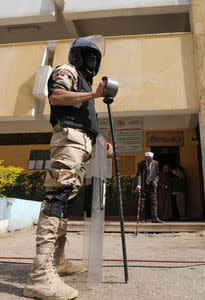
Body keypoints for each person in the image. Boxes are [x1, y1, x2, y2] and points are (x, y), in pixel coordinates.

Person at [23, 35, 113, 300]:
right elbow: (56, 96)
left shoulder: (86, 85)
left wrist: (100, 140)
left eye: (96, 58)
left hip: (81, 145)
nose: (92, 61)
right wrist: (94, 94)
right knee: (56, 197)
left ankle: (58, 261)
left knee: (66, 202)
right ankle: (40, 276)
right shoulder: (68, 71)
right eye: (89, 55)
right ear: (77, 56)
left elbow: (85, 120)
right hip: (68, 142)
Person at [135, 152, 163, 223]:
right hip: (144, 185)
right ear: (145, 158)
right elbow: (139, 175)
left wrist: (155, 181)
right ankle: (143, 219)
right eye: (147, 159)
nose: (149, 161)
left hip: (152, 185)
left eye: (150, 159)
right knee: (142, 202)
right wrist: (138, 185)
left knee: (154, 202)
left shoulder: (155, 163)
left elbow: (157, 174)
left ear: (152, 158)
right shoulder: (141, 164)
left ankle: (154, 218)